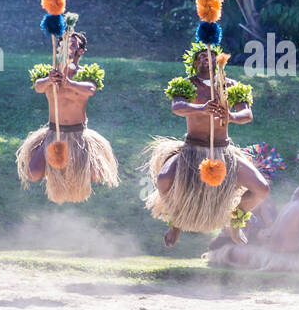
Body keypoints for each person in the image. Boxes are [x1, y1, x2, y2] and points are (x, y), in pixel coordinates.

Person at [144, 42, 271, 248]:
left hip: (223, 151)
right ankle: (175, 222)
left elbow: (247, 114)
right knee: (164, 180)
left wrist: (230, 116)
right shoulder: (186, 84)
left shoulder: (231, 86)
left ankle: (235, 221)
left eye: (210, 55)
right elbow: (177, 106)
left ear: (218, 60)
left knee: (261, 189)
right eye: (201, 56)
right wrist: (202, 108)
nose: (206, 58)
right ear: (194, 62)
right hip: (191, 151)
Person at [16, 29, 120, 203]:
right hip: (53, 134)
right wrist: (50, 79)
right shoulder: (49, 73)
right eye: (64, 43)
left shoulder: (86, 74)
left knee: (98, 175)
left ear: (80, 51)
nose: (68, 47)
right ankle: (55, 172)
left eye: (73, 44)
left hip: (78, 135)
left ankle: (74, 171)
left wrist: (69, 83)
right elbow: (38, 87)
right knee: (32, 174)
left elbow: (91, 89)